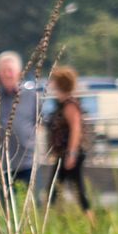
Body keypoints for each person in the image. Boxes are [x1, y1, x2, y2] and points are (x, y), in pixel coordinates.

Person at [0, 51, 41, 197]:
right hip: (1, 163)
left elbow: (38, 122)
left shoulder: (31, 95)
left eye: (11, 70)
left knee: (28, 204)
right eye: (4, 70)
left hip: (27, 161)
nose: (8, 74)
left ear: (19, 72)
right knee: (4, 205)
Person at [43, 66, 91, 212]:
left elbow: (76, 129)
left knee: (74, 190)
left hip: (69, 154)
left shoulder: (70, 105)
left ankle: (90, 221)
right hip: (63, 154)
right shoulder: (62, 104)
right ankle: (52, 217)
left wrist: (71, 153)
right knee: (57, 189)